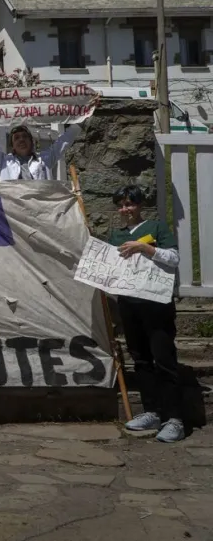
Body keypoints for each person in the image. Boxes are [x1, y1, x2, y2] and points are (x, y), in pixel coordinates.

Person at [109, 185, 185, 443]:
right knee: (140, 360)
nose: (125, 210)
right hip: (129, 305)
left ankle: (175, 419)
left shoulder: (156, 228)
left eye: (130, 204)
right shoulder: (116, 235)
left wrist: (146, 249)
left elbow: (174, 258)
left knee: (163, 359)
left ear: (139, 205)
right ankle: (152, 411)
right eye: (121, 205)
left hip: (156, 305)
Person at [0, 97, 98, 181]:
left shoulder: (45, 159)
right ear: (12, 145)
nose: (21, 140)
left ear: (32, 141)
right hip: (12, 217)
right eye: (16, 138)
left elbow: (66, 140)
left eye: (24, 137)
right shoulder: (4, 162)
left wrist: (87, 113)